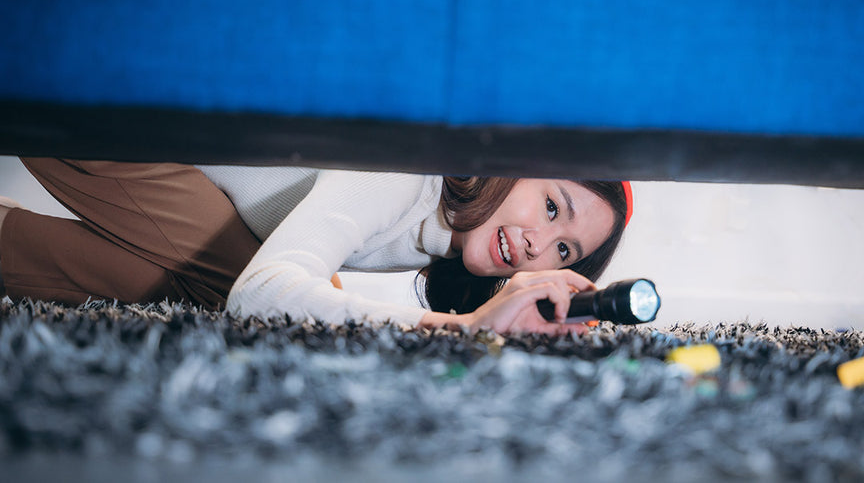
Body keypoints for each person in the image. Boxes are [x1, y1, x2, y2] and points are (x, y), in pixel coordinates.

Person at [0, 158, 631, 335]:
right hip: (117, 132)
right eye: (551, 206)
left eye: (565, 252)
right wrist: (461, 325)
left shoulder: (442, 232)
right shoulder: (406, 173)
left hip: (166, 176)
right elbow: (260, 294)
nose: (537, 246)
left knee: (194, 294)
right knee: (250, 292)